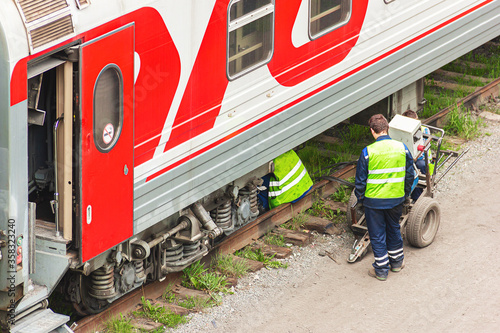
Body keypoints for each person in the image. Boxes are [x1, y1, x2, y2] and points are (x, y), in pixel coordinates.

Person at [355, 114, 414, 281]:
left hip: (373, 202)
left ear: (372, 131)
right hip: (396, 199)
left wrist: (361, 199)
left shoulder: (367, 152)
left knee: (377, 234)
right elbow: (410, 174)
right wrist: (405, 193)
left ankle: (381, 270)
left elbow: (360, 182)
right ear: (387, 129)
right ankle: (396, 263)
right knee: (393, 228)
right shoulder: (402, 148)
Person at [401, 109, 432, 200]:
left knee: (419, 167)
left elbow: (421, 149)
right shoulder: (402, 131)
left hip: (420, 158)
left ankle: (416, 197)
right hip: (406, 156)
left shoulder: (424, 130)